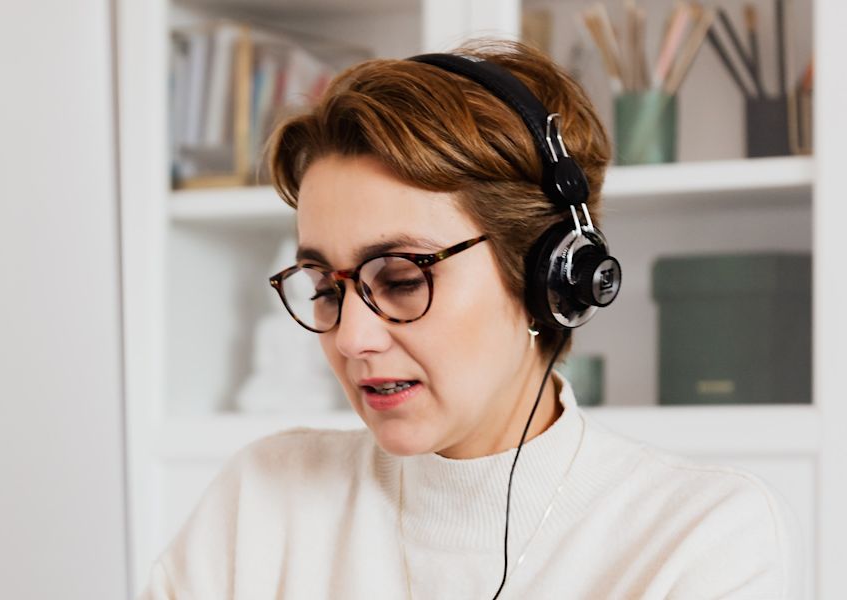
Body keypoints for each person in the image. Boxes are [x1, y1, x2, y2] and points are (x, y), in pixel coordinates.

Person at [139, 39, 791, 599]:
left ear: (544, 277)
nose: (352, 339)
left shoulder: (696, 536)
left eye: (400, 279)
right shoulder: (261, 502)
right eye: (324, 287)